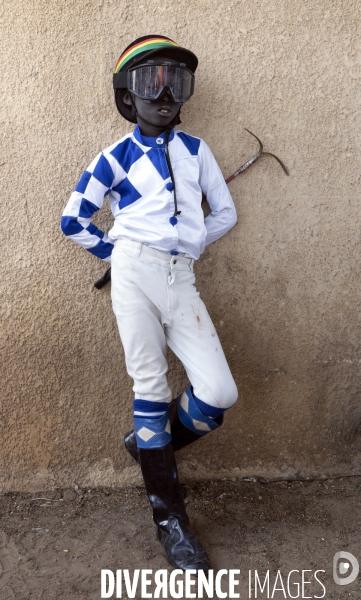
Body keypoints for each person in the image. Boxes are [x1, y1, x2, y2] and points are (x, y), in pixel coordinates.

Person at [61, 35, 238, 573]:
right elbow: (74, 221)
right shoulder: (114, 157)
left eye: (175, 83)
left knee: (218, 392)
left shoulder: (197, 150)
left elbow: (224, 213)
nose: (164, 95)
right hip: (133, 272)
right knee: (150, 383)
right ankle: (172, 525)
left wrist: (190, 243)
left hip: (180, 276)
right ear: (127, 97)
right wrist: (120, 254)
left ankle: (148, 445)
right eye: (149, 84)